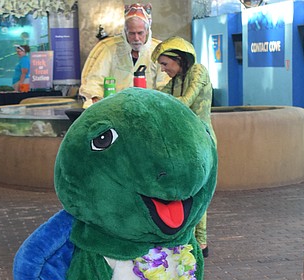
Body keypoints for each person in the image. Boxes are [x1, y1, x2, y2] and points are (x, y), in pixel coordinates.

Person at [152, 36, 214, 257]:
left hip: (202, 141)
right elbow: (158, 96)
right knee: (184, 191)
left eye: (165, 64)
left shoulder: (198, 71)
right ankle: (186, 237)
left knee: (199, 191)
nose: (164, 69)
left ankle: (202, 242)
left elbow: (185, 102)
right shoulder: (177, 78)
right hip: (185, 141)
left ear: (179, 60)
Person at [79, 3, 168, 108]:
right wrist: (96, 99)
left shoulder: (159, 51)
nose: (136, 38)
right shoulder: (109, 48)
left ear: (147, 31)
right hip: (114, 110)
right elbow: (93, 83)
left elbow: (165, 88)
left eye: (140, 33)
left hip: (149, 110)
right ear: (125, 32)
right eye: (131, 33)